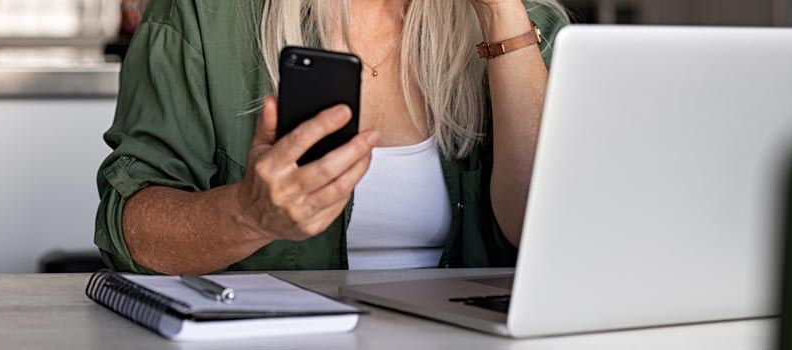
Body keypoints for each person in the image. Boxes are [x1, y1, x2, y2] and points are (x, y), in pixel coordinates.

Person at [95, 0, 569, 274]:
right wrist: (248, 215)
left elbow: (549, 234)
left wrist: (502, 15)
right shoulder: (206, 13)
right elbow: (132, 231)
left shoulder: (530, 27)